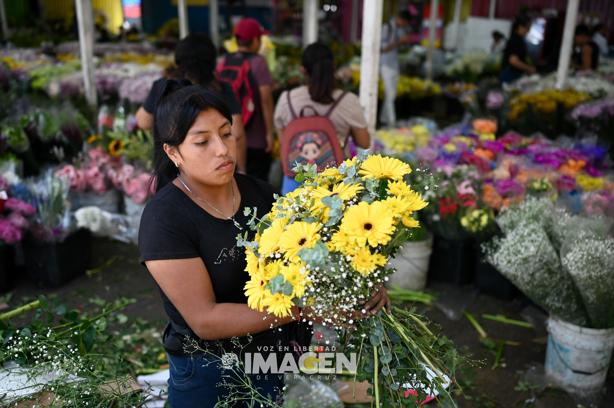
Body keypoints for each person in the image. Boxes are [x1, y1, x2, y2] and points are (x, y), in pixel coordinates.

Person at [138, 83, 389, 406]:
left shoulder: (263, 195)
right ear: (173, 152)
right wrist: (303, 310)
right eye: (202, 141)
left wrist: (360, 282)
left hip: (272, 357)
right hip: (209, 368)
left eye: (227, 134)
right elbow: (206, 320)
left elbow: (309, 256)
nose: (222, 149)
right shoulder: (165, 219)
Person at [136, 33, 247, 173]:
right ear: (212, 60)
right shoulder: (221, 88)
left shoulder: (163, 86)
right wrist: (241, 170)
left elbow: (143, 121)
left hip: (172, 171)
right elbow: (237, 133)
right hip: (216, 171)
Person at [273, 43, 370, 194]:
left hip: (296, 181)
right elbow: (364, 143)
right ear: (333, 68)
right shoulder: (348, 100)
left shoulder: (287, 99)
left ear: (303, 70)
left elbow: (283, 140)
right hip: (336, 182)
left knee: (291, 217)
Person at [219, 18, 275, 182]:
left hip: (230, 137)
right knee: (257, 184)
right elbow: (266, 100)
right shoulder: (259, 63)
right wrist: (269, 134)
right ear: (256, 40)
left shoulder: (224, 62)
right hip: (256, 139)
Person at [379, 11, 413, 128]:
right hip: (385, 64)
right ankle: (391, 122)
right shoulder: (386, 28)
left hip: (394, 64)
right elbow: (382, 48)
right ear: (399, 18)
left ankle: (384, 119)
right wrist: (399, 42)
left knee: (392, 94)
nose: (405, 25)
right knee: (390, 93)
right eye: (405, 22)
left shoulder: (400, 30)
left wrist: (403, 43)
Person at [500, 15, 535, 84]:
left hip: (512, 74)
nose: (528, 30)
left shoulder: (518, 39)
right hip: (510, 75)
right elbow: (513, 61)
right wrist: (529, 68)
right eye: (527, 27)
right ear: (520, 27)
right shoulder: (516, 40)